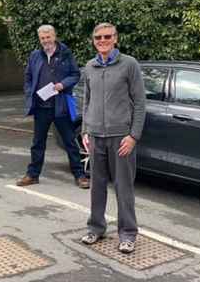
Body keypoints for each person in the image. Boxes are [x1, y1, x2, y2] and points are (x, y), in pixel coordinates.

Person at [80, 23, 146, 254]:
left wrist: (133, 136)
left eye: (107, 36)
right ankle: (96, 228)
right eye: (98, 37)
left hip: (121, 137)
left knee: (123, 187)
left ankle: (128, 233)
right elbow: (87, 102)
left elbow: (139, 103)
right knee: (96, 187)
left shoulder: (129, 64)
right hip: (96, 136)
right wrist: (85, 131)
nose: (102, 40)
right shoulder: (90, 66)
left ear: (115, 39)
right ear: (93, 41)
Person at [16, 25, 89, 189]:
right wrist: (30, 93)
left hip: (60, 106)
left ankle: (80, 175)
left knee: (70, 141)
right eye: (42, 38)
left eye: (48, 37)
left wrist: (63, 84)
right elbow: (28, 77)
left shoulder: (65, 53)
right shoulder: (35, 55)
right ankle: (33, 175)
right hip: (41, 106)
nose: (45, 40)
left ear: (54, 36)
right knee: (37, 143)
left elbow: (75, 74)